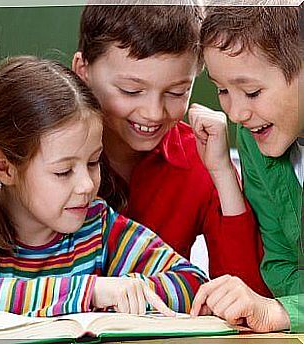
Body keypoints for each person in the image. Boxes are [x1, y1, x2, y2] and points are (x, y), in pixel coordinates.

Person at [0, 56, 208, 317]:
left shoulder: (97, 224)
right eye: (63, 171)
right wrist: (91, 292)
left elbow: (192, 282)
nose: (86, 185)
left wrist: (130, 290)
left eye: (94, 162)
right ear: (5, 166)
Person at [71, 4, 271, 296]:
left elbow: (247, 296)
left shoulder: (199, 158)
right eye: (130, 90)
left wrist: (223, 173)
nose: (153, 113)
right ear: (82, 71)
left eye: (177, 92)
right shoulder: (46, 150)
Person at [190, 6, 303, 333]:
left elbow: (281, 299)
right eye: (223, 90)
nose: (236, 112)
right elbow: (279, 267)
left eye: (252, 92)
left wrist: (283, 311)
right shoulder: (254, 139)